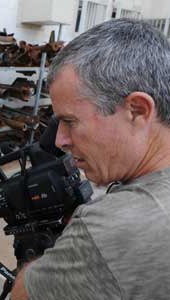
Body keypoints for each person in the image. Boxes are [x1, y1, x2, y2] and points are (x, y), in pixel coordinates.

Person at [11, 18, 170, 300]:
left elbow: (23, 296)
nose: (60, 139)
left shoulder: (111, 230)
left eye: (70, 121)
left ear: (137, 109)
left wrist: (49, 258)